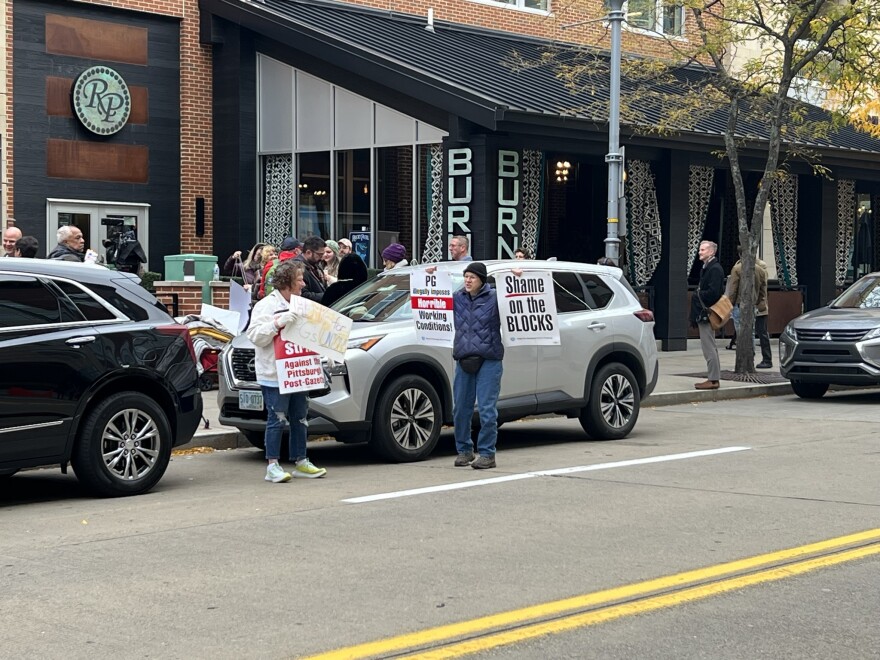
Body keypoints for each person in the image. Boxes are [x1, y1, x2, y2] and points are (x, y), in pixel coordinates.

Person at [245, 259, 327, 482]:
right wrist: (277, 323)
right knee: (277, 418)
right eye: (299, 279)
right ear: (287, 282)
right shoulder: (265, 306)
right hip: (274, 374)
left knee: (300, 417)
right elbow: (255, 336)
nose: (303, 284)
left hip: (298, 373)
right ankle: (273, 465)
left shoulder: (301, 304)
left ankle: (301, 460)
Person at [451, 262, 503, 469]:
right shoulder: (457, 297)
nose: (468, 280)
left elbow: (519, 296)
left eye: (472, 277)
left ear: (482, 279)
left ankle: (487, 453)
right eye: (466, 277)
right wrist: (429, 276)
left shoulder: (496, 298)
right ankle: (464, 450)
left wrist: (518, 277)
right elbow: (432, 299)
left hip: (489, 359)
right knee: (461, 408)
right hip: (464, 358)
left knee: (487, 409)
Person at [727, 249, 773, 368]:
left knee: (743, 332)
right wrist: (760, 303)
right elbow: (764, 290)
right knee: (758, 332)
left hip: (742, 305)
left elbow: (733, 290)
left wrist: (729, 305)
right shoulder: (761, 269)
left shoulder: (738, 268)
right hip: (758, 305)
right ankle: (760, 358)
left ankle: (748, 359)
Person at [690, 240, 724, 390]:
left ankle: (713, 379)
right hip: (704, 312)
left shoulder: (715, 269)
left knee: (708, 346)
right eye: (700, 249)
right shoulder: (707, 268)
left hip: (707, 313)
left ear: (711, 252)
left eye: (703, 249)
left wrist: (698, 295)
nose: (700, 252)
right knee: (710, 346)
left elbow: (714, 293)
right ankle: (713, 377)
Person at [293, 236, 327, 302]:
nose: (322, 258)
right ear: (308, 252)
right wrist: (327, 295)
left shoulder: (315, 264)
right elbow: (303, 294)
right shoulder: (296, 267)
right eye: (320, 254)